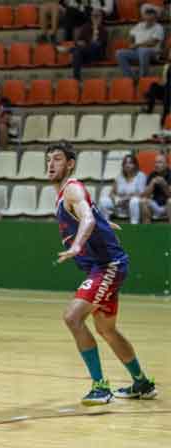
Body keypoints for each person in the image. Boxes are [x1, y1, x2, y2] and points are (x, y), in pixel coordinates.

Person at [48, 141, 157, 404]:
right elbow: (90, 213)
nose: (51, 164)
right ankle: (142, 383)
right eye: (49, 159)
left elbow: (87, 218)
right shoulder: (66, 193)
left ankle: (100, 386)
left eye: (58, 159)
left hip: (107, 266)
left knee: (73, 317)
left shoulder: (72, 188)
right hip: (104, 266)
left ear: (70, 164)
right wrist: (105, 223)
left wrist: (76, 245)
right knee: (106, 330)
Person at [116, 4, 164, 82]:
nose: (149, 19)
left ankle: (143, 78)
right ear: (144, 17)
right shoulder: (139, 25)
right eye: (147, 17)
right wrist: (131, 43)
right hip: (137, 51)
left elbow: (153, 43)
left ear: (155, 18)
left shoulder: (159, 27)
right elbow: (131, 34)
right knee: (119, 53)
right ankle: (132, 78)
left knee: (143, 50)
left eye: (151, 18)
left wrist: (137, 45)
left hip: (153, 52)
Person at [61, 8, 108, 81]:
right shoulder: (86, 27)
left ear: (101, 17)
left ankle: (69, 49)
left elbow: (100, 45)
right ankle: (76, 78)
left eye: (97, 16)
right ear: (91, 17)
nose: (95, 18)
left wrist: (96, 29)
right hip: (85, 56)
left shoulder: (103, 30)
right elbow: (79, 41)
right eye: (93, 16)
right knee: (77, 52)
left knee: (94, 45)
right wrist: (80, 42)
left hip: (96, 55)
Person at [98, 154, 146, 224]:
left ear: (135, 165)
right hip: (120, 204)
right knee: (103, 201)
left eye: (130, 163)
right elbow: (112, 193)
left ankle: (134, 224)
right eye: (125, 163)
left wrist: (127, 198)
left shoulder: (141, 176)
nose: (127, 165)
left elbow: (142, 193)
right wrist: (116, 199)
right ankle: (105, 225)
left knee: (134, 201)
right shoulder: (119, 177)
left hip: (133, 205)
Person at [139, 153, 171, 223]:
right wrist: (152, 183)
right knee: (143, 201)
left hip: (167, 205)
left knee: (170, 201)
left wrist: (164, 185)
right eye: (156, 162)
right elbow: (145, 195)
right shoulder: (152, 174)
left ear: (166, 164)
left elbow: (170, 195)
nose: (156, 165)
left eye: (160, 162)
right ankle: (147, 230)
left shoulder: (170, 174)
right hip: (156, 205)